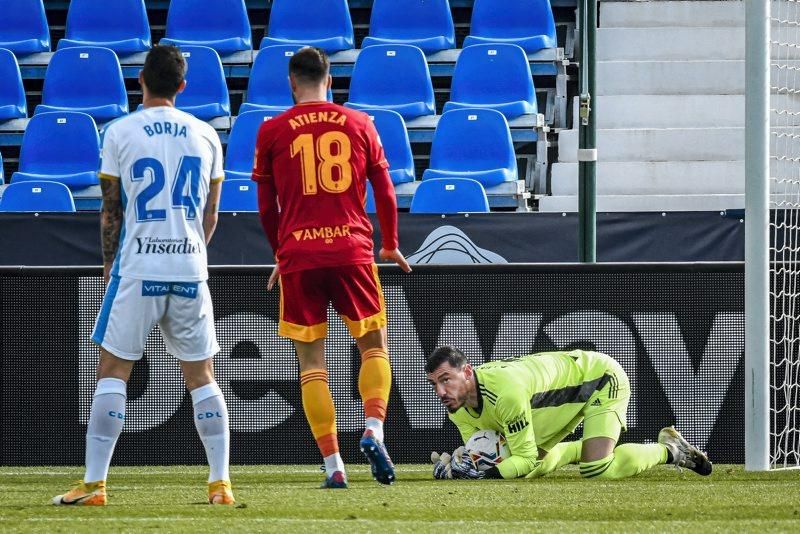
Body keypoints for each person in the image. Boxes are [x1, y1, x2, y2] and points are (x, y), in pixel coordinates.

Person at [53, 45, 233, 506]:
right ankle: (220, 485)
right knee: (202, 375)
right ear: (183, 86)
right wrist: (189, 248)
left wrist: (110, 262)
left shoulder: (120, 131)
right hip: (191, 265)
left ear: (140, 82)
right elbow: (211, 215)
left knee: (113, 370)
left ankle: (94, 485)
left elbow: (110, 209)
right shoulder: (206, 134)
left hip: (138, 265)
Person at [252, 46, 411, 488]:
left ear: (291, 82)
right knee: (374, 346)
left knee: (311, 364)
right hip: (352, 250)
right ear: (331, 81)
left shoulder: (271, 130)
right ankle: (374, 429)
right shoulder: (360, 123)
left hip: (300, 255)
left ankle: (333, 467)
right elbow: (385, 190)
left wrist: (280, 252)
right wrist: (391, 243)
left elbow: (266, 206)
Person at [426, 346, 712, 480]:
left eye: (445, 379)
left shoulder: (505, 393)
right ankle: (580, 449)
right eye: (434, 384)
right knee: (525, 471)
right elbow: (490, 449)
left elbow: (522, 459)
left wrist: (483, 476)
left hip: (599, 379)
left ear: (466, 372)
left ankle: (670, 451)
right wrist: (468, 465)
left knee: (597, 469)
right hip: (557, 400)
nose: (440, 392)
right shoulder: (458, 407)